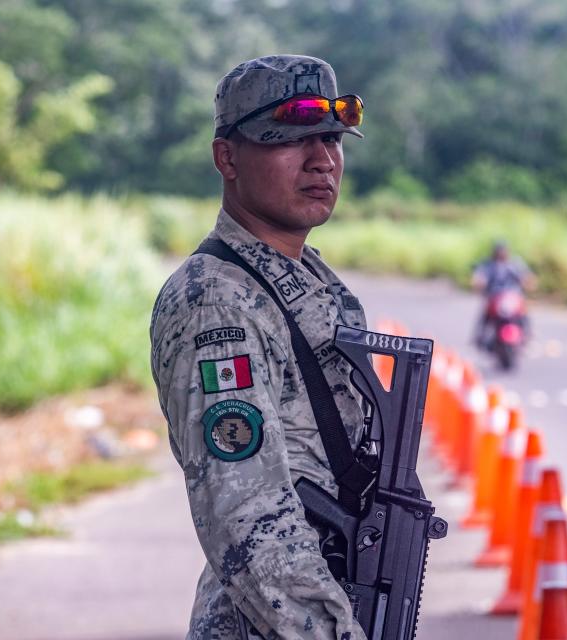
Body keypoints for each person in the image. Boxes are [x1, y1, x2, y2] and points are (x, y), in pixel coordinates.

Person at [149, 55, 369, 640]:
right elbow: (243, 512)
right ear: (227, 158)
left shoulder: (297, 275)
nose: (322, 160)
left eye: (331, 139)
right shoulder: (217, 303)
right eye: (288, 141)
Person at [470, 241, 536, 348]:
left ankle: (527, 333)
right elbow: (479, 277)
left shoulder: (515, 263)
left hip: (512, 298)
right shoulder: (489, 265)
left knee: (523, 313)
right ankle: (480, 336)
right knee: (485, 315)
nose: (501, 253)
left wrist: (528, 282)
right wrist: (479, 283)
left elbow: (526, 277)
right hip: (495, 297)